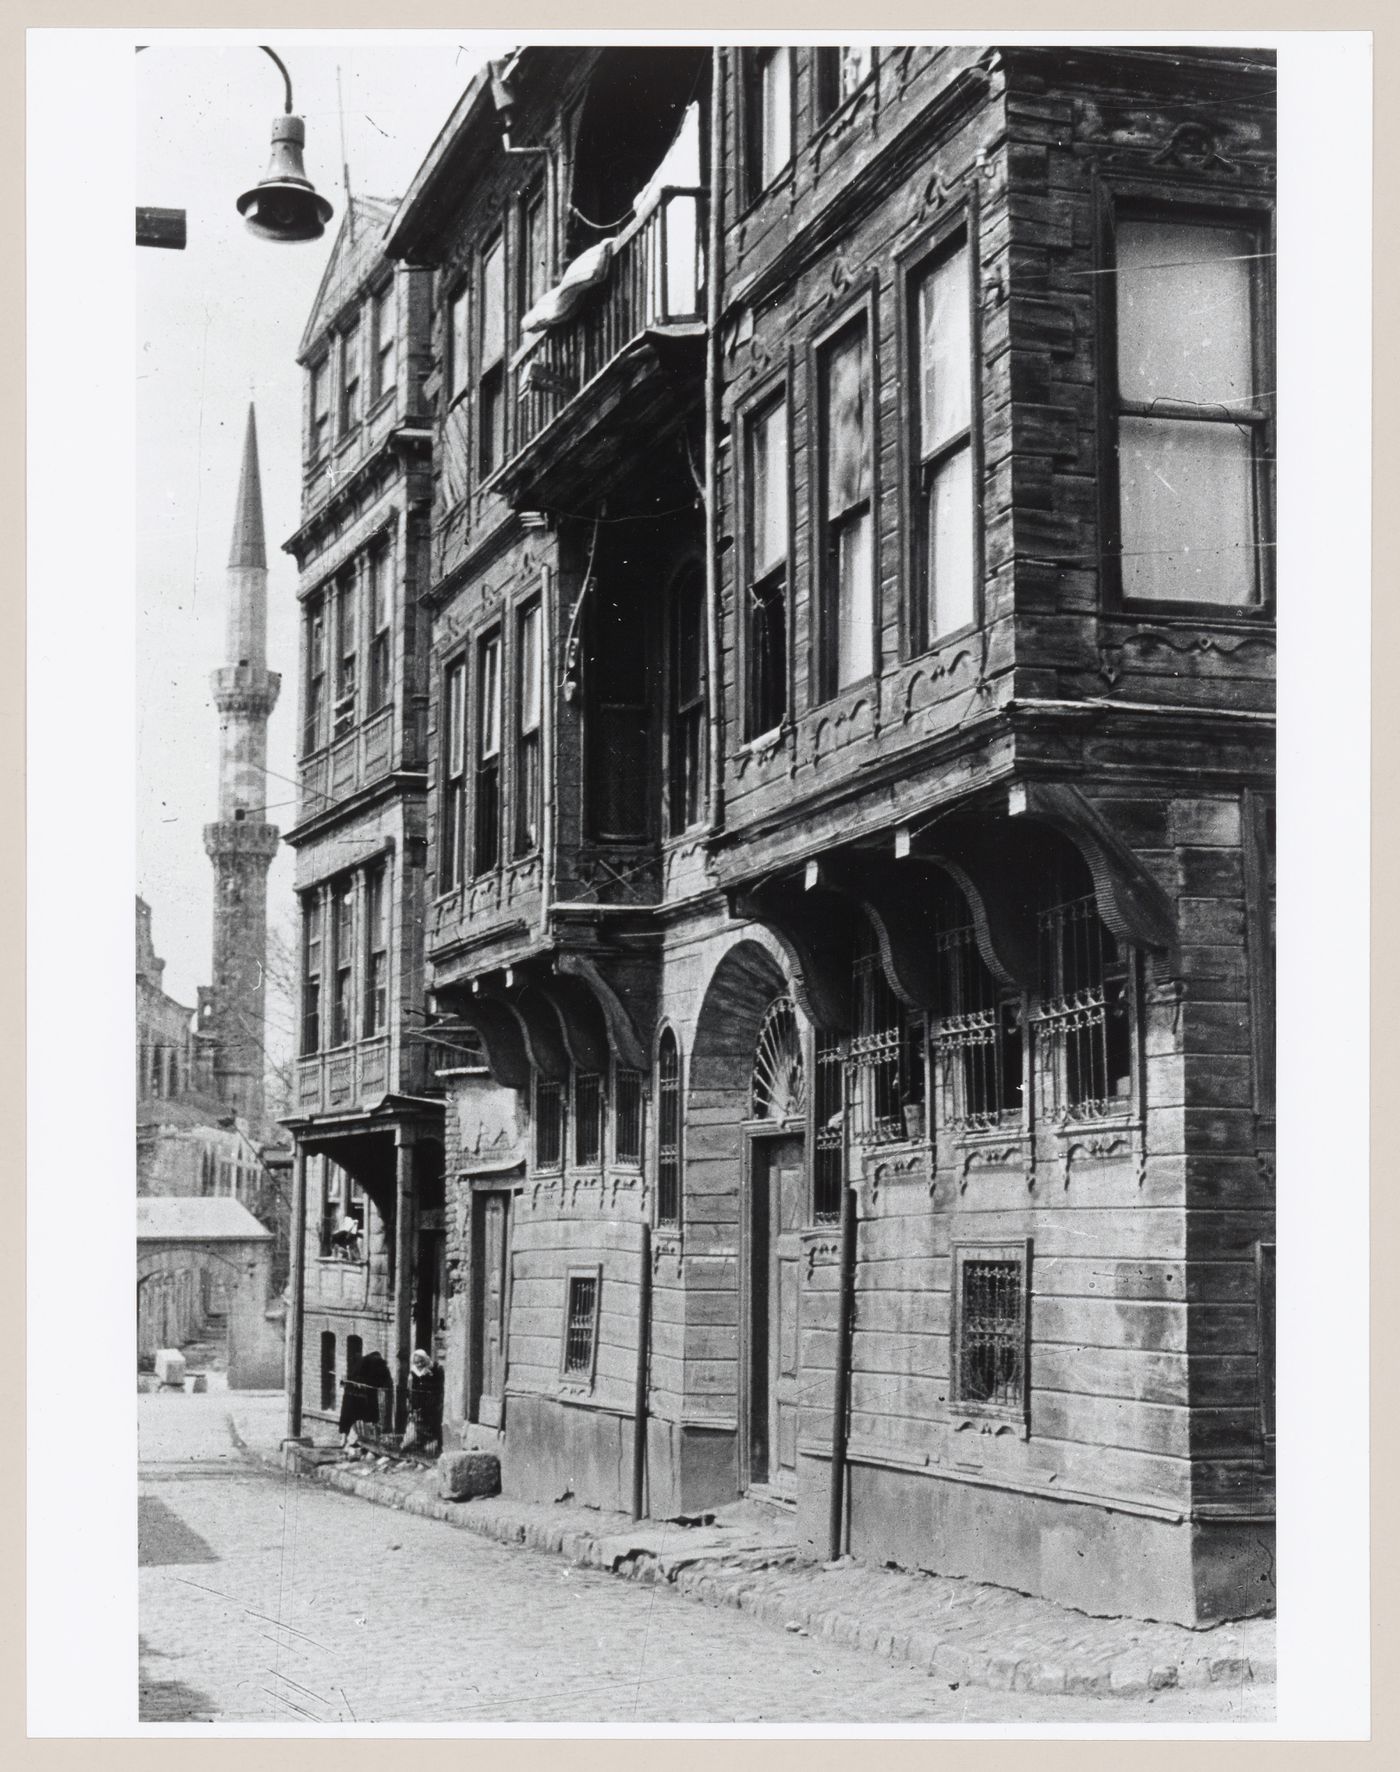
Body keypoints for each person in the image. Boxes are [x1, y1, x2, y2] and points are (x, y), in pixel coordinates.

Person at [338, 1347, 392, 1445]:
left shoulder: (363, 1363)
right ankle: (363, 1440)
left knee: (349, 1417)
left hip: (353, 1395)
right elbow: (381, 1382)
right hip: (361, 1396)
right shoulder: (377, 1364)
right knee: (367, 1417)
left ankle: (346, 1438)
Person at [406, 1348, 444, 1455]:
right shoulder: (413, 1372)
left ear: (426, 1360)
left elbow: (437, 1387)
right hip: (417, 1402)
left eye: (421, 1361)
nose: (419, 1364)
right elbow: (410, 1388)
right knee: (418, 1425)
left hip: (430, 1403)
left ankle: (431, 1448)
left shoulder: (433, 1370)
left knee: (429, 1425)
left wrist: (428, 1376)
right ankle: (419, 1447)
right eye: (416, 1362)